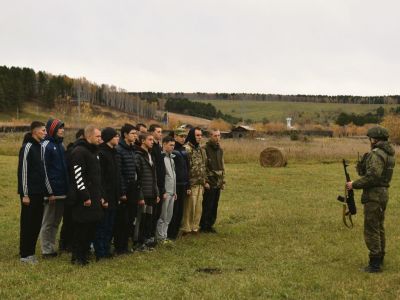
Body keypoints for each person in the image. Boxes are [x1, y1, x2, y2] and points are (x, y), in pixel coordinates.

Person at [346, 126, 395, 273]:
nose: (370, 141)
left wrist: (354, 184)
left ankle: (374, 264)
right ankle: (379, 257)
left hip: (374, 195)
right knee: (379, 227)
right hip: (383, 193)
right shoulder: (389, 153)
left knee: (371, 228)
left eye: (370, 138)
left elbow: (373, 176)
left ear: (374, 139)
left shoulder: (377, 153)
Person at [69, 125, 104, 265]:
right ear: (89, 136)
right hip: (83, 198)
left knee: (90, 227)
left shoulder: (94, 152)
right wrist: (85, 196)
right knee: (81, 229)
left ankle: (84, 254)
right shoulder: (79, 151)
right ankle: (77, 257)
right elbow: (78, 176)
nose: (100, 139)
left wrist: (100, 194)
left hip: (94, 196)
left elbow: (97, 177)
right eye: (97, 136)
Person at [17, 121, 47, 264]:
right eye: (43, 130)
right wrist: (25, 194)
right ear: (34, 131)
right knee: (27, 223)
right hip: (29, 194)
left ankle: (31, 252)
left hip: (40, 193)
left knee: (36, 223)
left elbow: (43, 171)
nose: (45, 133)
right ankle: (25, 254)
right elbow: (23, 171)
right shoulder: (27, 147)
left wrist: (48, 191)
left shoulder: (40, 147)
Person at [40, 118, 69, 258]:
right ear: (52, 130)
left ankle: (52, 247)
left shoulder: (61, 146)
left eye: (63, 128)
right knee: (48, 222)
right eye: (59, 128)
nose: (62, 130)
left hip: (62, 191)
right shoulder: (45, 145)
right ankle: (46, 250)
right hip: (51, 192)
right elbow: (43, 170)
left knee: (56, 222)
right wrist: (49, 191)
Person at [94, 127, 120, 260]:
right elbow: (101, 178)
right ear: (109, 137)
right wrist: (103, 197)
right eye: (116, 136)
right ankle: (100, 251)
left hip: (114, 196)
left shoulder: (114, 153)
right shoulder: (102, 153)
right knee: (102, 225)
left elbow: (116, 176)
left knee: (110, 225)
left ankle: (106, 249)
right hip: (105, 196)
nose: (118, 138)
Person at [180, 127, 209, 235]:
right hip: (191, 183)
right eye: (197, 135)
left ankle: (195, 227)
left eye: (201, 135)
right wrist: (187, 184)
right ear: (192, 135)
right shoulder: (186, 149)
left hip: (200, 183)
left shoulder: (201, 150)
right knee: (188, 208)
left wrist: (205, 180)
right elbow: (185, 168)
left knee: (198, 208)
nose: (199, 137)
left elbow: (204, 166)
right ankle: (186, 228)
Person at [59, 128, 84, 252]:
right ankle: (65, 243)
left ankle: (70, 242)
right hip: (71, 189)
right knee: (69, 218)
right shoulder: (71, 151)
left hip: (76, 189)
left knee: (74, 219)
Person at [115, 123, 138, 254]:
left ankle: (126, 245)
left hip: (133, 187)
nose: (135, 136)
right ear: (125, 135)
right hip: (125, 189)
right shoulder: (119, 150)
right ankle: (120, 247)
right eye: (132, 134)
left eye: (136, 134)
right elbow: (119, 173)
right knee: (122, 220)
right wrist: (122, 191)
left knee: (130, 218)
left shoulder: (133, 149)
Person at [134, 132, 160, 251]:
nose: (152, 142)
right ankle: (137, 242)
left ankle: (146, 240)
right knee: (141, 219)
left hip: (151, 193)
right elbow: (137, 177)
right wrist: (140, 195)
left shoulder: (151, 156)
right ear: (143, 141)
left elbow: (154, 176)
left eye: (152, 140)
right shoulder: (138, 156)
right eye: (150, 139)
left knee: (149, 218)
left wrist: (157, 192)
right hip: (143, 193)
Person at [200, 129, 225, 233]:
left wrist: (223, 181)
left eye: (219, 135)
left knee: (215, 204)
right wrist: (205, 181)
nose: (217, 138)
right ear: (210, 136)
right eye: (215, 136)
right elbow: (202, 166)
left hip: (218, 182)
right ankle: (204, 225)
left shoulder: (220, 150)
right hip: (209, 182)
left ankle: (210, 224)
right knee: (207, 204)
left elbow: (222, 166)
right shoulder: (204, 149)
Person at [168, 128, 190, 240]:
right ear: (175, 136)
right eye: (181, 136)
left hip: (183, 184)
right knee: (174, 211)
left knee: (180, 210)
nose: (183, 139)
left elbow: (187, 169)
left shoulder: (184, 150)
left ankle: (176, 232)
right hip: (175, 185)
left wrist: (188, 185)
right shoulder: (173, 149)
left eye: (184, 137)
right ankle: (170, 234)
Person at [156, 136, 176, 243]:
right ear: (164, 144)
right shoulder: (162, 158)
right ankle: (159, 237)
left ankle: (165, 235)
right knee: (163, 215)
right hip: (165, 192)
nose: (172, 147)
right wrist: (163, 191)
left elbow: (173, 176)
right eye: (170, 145)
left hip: (172, 192)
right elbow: (162, 176)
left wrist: (175, 191)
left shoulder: (171, 159)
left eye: (173, 145)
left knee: (169, 216)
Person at [149, 124, 166, 243]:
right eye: (158, 131)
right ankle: (149, 237)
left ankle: (154, 235)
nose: (160, 134)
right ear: (152, 132)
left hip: (160, 183)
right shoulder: (151, 148)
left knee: (158, 212)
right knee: (152, 213)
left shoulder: (159, 147)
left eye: (161, 132)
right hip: (153, 184)